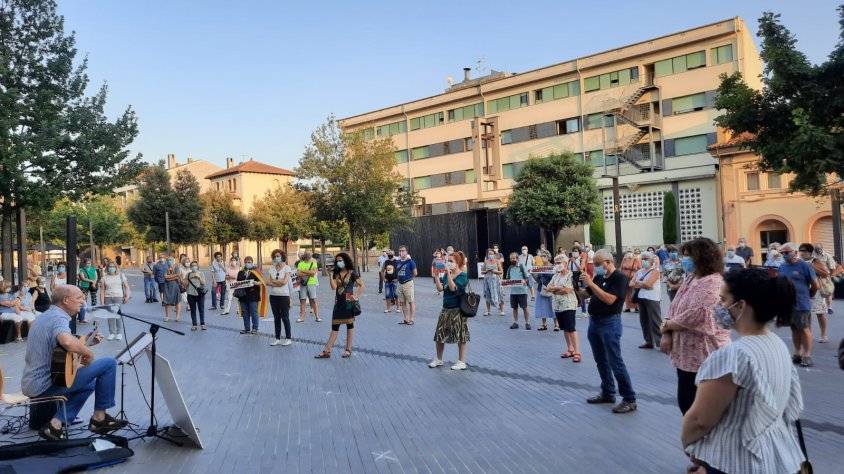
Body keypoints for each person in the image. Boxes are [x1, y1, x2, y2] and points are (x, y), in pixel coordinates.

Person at [681, 269, 805, 474]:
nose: (718, 306)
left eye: (723, 299)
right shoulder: (777, 344)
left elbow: (699, 420)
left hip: (735, 460)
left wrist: (691, 447)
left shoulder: (732, 356)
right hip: (775, 455)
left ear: (741, 305)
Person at [20, 285, 128, 440]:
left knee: (89, 384)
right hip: (45, 385)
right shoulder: (58, 318)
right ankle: (100, 419)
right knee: (109, 363)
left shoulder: (46, 316)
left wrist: (86, 342)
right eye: (79, 298)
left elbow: (62, 346)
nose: (83, 302)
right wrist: (88, 353)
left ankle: (55, 425)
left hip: (32, 383)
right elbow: (67, 342)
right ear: (65, 300)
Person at [660, 237, 731, 414]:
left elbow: (697, 315)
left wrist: (667, 325)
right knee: (686, 403)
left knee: (702, 409)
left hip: (706, 354)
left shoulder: (713, 282)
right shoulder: (691, 278)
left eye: (689, 256)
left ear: (703, 257)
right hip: (686, 355)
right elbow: (674, 306)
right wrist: (667, 333)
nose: (685, 259)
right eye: (684, 255)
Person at [578, 249, 637, 414]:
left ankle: (629, 398)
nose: (596, 267)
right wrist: (577, 286)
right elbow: (586, 294)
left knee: (615, 361)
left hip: (610, 323)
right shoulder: (599, 277)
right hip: (594, 322)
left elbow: (610, 299)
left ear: (608, 262)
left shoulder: (620, 277)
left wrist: (591, 284)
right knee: (601, 360)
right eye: (594, 264)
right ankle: (608, 392)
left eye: (598, 264)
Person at [315, 253, 364, 359]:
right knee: (334, 326)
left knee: (349, 325)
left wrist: (355, 295)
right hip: (338, 303)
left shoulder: (352, 273)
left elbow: (362, 285)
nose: (338, 262)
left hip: (348, 302)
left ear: (345, 261)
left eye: (340, 260)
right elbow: (333, 287)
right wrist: (330, 276)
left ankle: (348, 349)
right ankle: (327, 351)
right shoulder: (336, 274)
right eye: (337, 261)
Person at [427, 250, 470, 370]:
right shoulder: (447, 274)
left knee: (460, 335)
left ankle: (461, 361)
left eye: (451, 261)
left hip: (458, 310)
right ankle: (439, 359)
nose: (448, 263)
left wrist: (448, 274)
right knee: (439, 334)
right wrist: (437, 276)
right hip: (446, 309)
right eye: (447, 261)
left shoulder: (462, 276)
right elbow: (440, 288)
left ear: (458, 263)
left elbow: (453, 288)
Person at [778, 242, 819, 367]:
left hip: (801, 303)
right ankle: (798, 353)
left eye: (787, 252)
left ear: (795, 252)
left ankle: (807, 355)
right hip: (788, 304)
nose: (784, 255)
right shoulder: (782, 267)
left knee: (804, 329)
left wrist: (809, 295)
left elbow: (815, 285)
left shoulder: (805, 266)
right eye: (782, 253)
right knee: (794, 328)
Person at [547, 254, 580, 362]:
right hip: (557, 305)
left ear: (565, 263)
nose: (557, 265)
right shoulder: (555, 276)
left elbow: (567, 290)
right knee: (565, 328)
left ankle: (577, 352)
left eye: (559, 263)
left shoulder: (571, 275)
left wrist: (554, 290)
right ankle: (570, 349)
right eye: (556, 263)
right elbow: (548, 287)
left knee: (571, 328)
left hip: (569, 305)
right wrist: (558, 288)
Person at [632, 251, 662, 349]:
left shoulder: (655, 271)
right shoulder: (639, 271)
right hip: (641, 297)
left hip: (652, 298)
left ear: (651, 260)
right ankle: (649, 341)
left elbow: (649, 284)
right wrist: (643, 284)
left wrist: (638, 283)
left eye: (646, 259)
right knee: (644, 321)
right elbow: (631, 283)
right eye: (642, 259)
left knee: (655, 321)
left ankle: (661, 342)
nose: (644, 261)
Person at [266, 249, 292, 346]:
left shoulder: (287, 268)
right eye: (275, 256)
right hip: (273, 296)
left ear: (282, 257)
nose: (276, 258)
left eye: (278, 256)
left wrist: (273, 281)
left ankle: (288, 338)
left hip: (284, 296)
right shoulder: (271, 268)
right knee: (276, 318)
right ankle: (277, 338)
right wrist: (278, 282)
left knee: (285, 318)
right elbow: (267, 281)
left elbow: (284, 282)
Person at [98, 261, 129, 340]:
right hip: (108, 297)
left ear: (116, 267)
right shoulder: (104, 278)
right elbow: (102, 290)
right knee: (110, 315)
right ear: (107, 268)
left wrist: (127, 296)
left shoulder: (121, 275)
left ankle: (119, 333)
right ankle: (112, 333)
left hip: (118, 297)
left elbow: (126, 287)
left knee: (118, 315)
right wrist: (102, 302)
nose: (111, 268)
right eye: (110, 267)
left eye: (113, 266)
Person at [808, 245, 830, 344]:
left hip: (817, 288)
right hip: (805, 288)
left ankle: (823, 334)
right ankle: (808, 334)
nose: (803, 253)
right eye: (801, 251)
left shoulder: (816, 261)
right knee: (806, 313)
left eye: (806, 251)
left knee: (820, 312)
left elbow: (825, 273)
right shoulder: (800, 261)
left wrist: (812, 266)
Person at [237, 256, 264, 335]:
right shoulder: (241, 272)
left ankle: (255, 328)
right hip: (243, 295)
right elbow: (238, 282)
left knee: (254, 312)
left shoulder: (256, 271)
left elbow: (261, 282)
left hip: (253, 295)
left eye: (249, 262)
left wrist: (256, 283)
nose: (247, 264)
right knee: (245, 312)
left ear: (252, 263)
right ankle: (247, 328)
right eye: (246, 262)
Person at [532, 251, 556, 331]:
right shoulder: (540, 267)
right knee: (542, 306)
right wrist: (532, 273)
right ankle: (544, 324)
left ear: (549, 257)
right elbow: (538, 279)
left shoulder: (553, 267)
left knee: (553, 306)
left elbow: (555, 277)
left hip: (551, 289)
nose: (542, 258)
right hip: (541, 288)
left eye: (544, 256)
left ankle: (556, 324)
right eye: (541, 256)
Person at [506, 252, 531, 329]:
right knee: (514, 308)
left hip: (522, 291)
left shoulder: (522, 267)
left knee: (524, 307)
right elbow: (507, 278)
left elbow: (527, 278)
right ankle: (516, 322)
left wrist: (525, 281)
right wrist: (505, 283)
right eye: (511, 258)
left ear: (517, 258)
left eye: (513, 258)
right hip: (513, 292)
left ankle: (527, 323)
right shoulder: (510, 268)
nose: (512, 260)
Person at [296, 252, 321, 323]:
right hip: (303, 284)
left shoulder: (314, 263)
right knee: (302, 300)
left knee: (314, 300)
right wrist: (309, 272)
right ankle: (302, 317)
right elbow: (298, 274)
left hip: (312, 283)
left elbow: (313, 273)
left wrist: (303, 271)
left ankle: (317, 317)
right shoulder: (300, 264)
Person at [396, 245, 417, 325]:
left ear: (406, 252)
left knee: (411, 301)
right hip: (400, 284)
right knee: (402, 302)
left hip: (408, 283)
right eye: (400, 251)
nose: (401, 252)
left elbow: (415, 273)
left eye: (403, 251)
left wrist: (408, 277)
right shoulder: (397, 262)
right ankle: (406, 319)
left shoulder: (411, 262)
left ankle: (411, 319)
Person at [812, 242, 835, 315]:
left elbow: (832, 267)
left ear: (822, 248)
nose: (816, 249)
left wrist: (829, 275)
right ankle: (819, 306)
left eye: (818, 248)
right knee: (817, 291)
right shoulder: (812, 256)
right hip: (814, 276)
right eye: (815, 248)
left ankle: (829, 307)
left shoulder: (827, 256)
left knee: (827, 291)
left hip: (824, 277)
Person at [184, 261, 207, 331]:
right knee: (193, 310)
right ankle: (194, 325)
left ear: (197, 266)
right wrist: (189, 278)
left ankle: (202, 324)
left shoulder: (201, 273)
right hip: (191, 294)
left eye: (195, 265)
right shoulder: (188, 274)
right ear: (191, 267)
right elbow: (185, 285)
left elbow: (204, 283)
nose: (194, 267)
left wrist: (199, 277)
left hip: (200, 294)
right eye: (192, 266)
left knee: (201, 310)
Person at [481, 248, 504, 316]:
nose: (490, 255)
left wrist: (495, 271)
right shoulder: (486, 261)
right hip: (487, 279)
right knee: (487, 294)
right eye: (489, 254)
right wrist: (486, 271)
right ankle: (488, 310)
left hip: (495, 279)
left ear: (494, 254)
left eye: (491, 254)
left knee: (499, 293)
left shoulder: (497, 261)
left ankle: (502, 310)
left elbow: (501, 271)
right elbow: (482, 272)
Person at [162, 256, 183, 322]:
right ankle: (167, 316)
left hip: (175, 286)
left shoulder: (176, 267)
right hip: (167, 287)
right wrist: (175, 276)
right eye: (168, 260)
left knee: (177, 301)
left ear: (173, 260)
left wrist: (169, 277)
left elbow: (178, 276)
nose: (169, 261)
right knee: (167, 302)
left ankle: (177, 317)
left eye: (170, 260)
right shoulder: (165, 268)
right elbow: (165, 277)